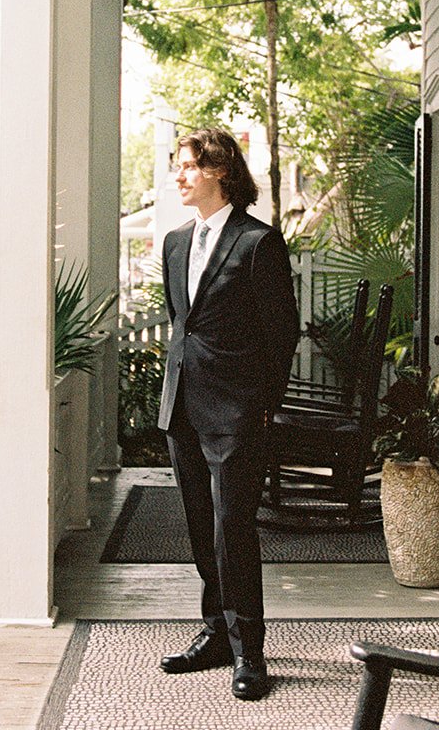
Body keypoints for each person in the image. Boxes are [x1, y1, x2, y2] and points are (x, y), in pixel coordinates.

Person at [156, 128, 300, 702]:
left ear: (220, 171)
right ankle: (216, 634)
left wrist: (261, 408)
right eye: (178, 167)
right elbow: (180, 324)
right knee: (198, 527)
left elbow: (281, 333)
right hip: (182, 407)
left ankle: (250, 651)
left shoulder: (257, 242)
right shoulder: (172, 242)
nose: (179, 176)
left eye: (188, 166)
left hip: (237, 412)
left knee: (231, 529)